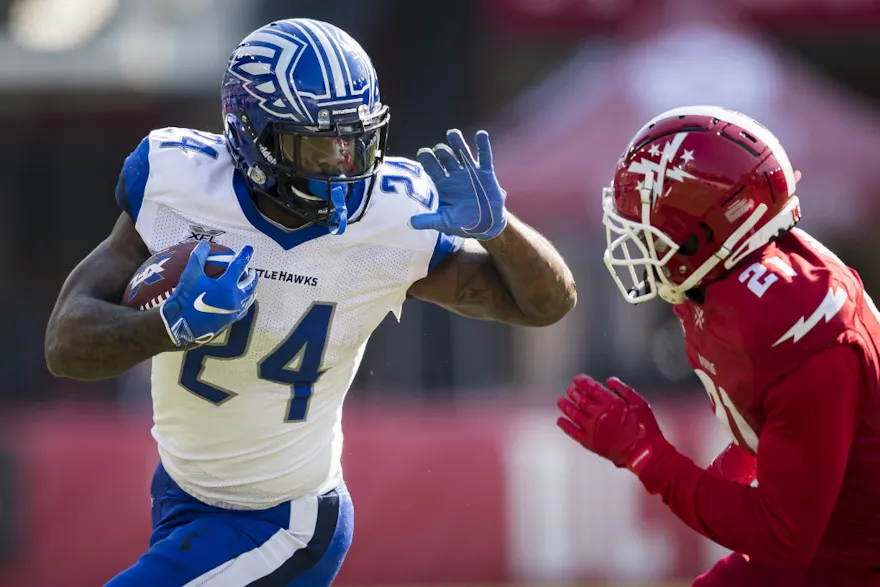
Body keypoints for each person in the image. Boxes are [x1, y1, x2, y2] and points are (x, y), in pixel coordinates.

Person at [44, 18, 576, 587]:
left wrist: (500, 231)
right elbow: (65, 344)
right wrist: (166, 328)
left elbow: (545, 305)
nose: (345, 167)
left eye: (356, 141)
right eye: (321, 147)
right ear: (251, 135)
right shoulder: (180, 186)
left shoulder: (393, 219)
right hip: (181, 493)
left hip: (287, 521)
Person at [556, 105, 880, 586]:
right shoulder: (730, 281)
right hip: (836, 547)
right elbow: (779, 430)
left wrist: (648, 455)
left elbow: (783, 536)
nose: (636, 239)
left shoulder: (800, 331)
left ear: (706, 229)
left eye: (653, 224)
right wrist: (712, 473)